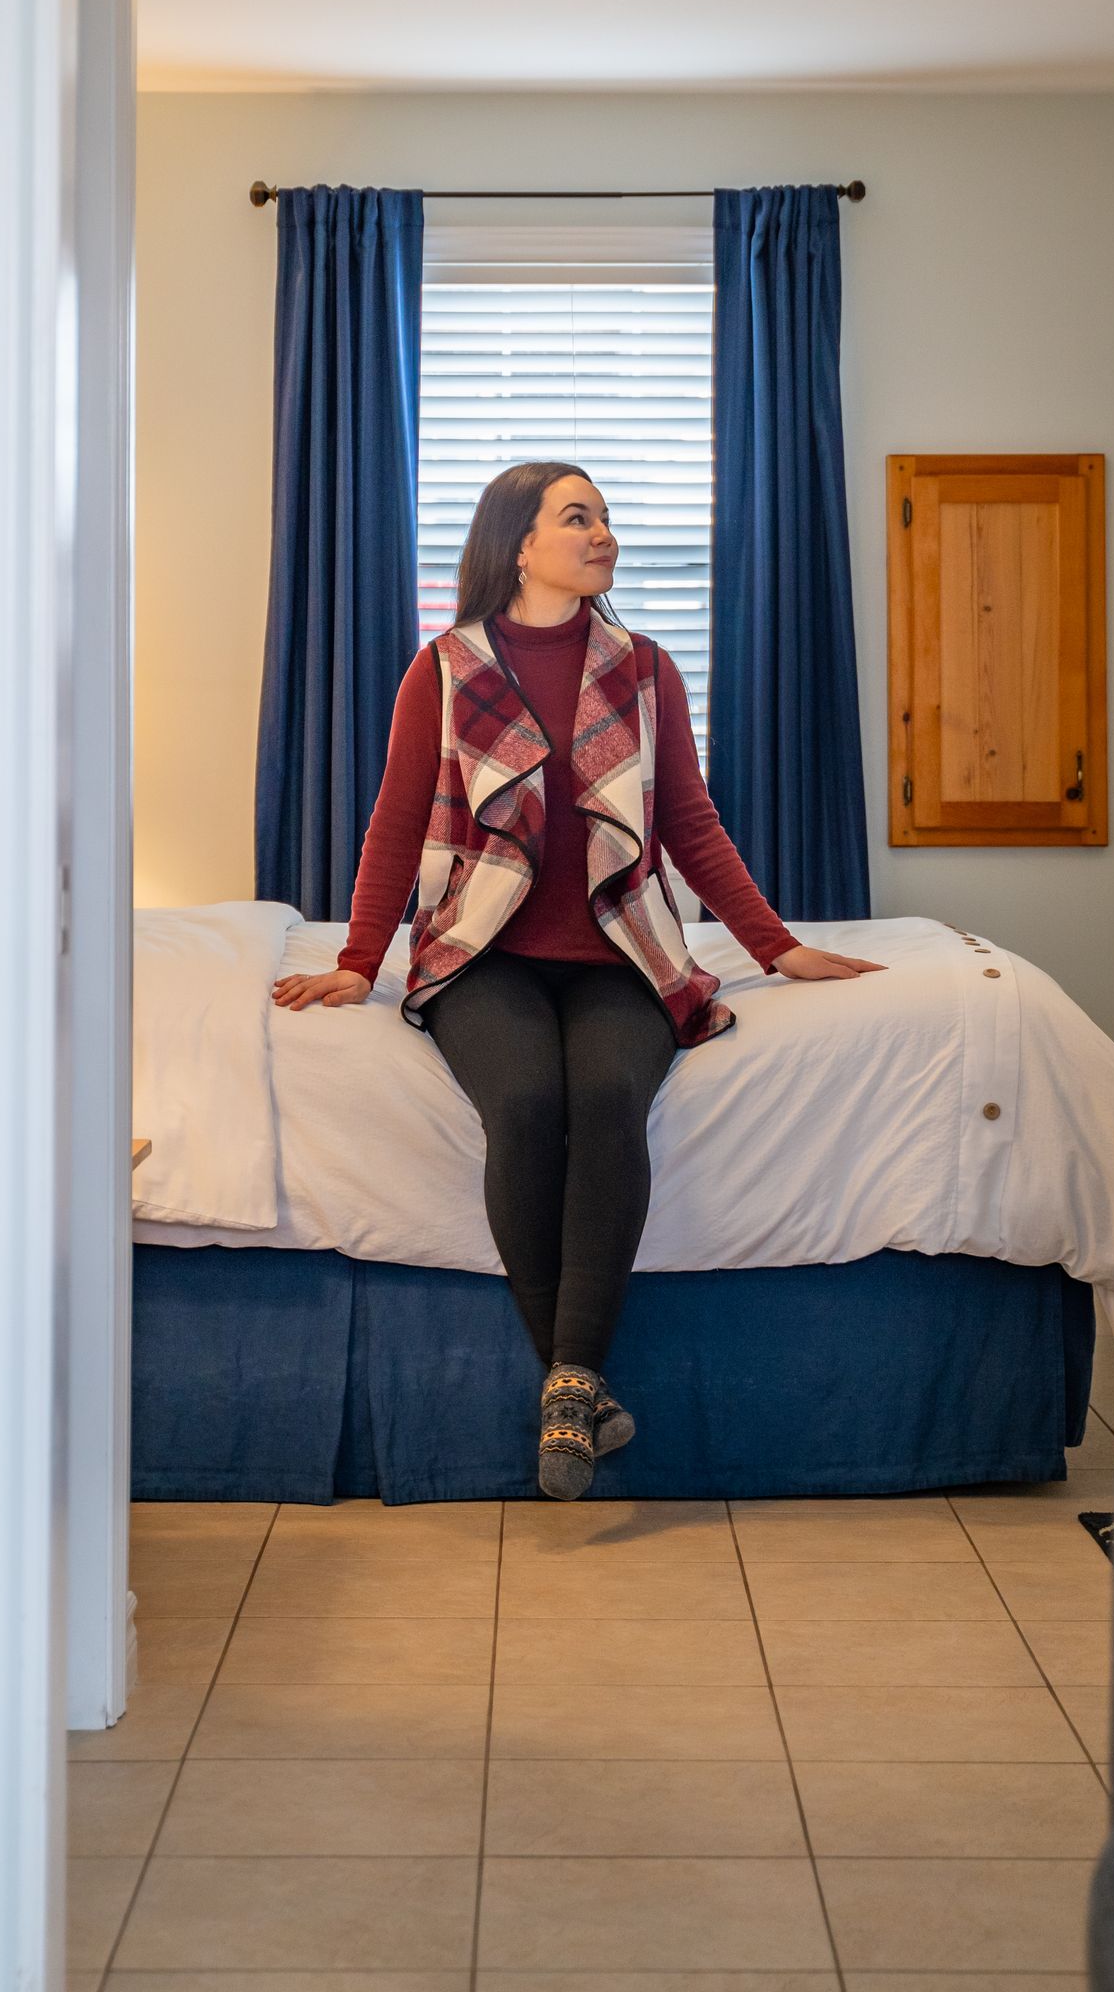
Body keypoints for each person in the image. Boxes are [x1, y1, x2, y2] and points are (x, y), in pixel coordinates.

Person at [272, 460, 880, 1499]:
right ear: (518, 543)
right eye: (577, 517)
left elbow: (688, 823)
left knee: (606, 1100)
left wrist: (774, 947)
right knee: (523, 1101)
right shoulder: (447, 670)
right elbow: (395, 820)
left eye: (602, 517)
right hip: (484, 953)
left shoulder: (643, 669)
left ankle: (569, 1380)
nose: (601, 533)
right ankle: (579, 1388)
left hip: (621, 949)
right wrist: (356, 962)